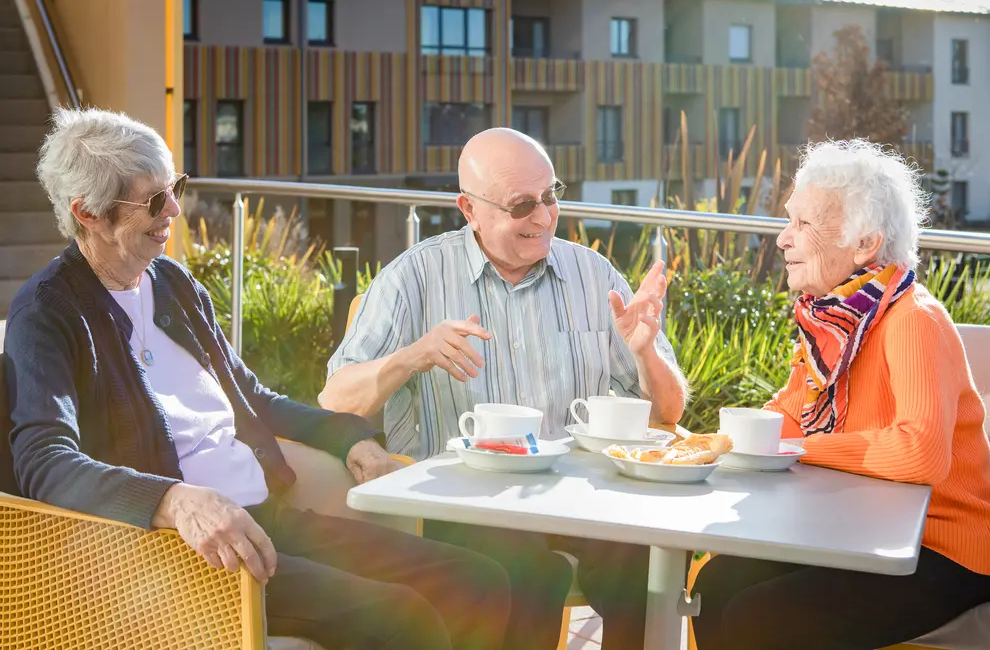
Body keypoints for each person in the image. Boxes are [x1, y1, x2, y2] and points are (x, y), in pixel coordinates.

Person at [3, 108, 511, 650]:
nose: (174, 208)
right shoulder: (49, 312)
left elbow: (252, 398)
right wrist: (175, 501)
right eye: (153, 201)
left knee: (479, 582)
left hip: (266, 519)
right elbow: (44, 461)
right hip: (181, 556)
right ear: (89, 213)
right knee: (403, 618)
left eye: (174, 187)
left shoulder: (171, 283)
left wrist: (349, 436)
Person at [321, 127, 690, 650]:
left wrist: (646, 353)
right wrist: (415, 355)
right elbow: (335, 401)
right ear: (470, 209)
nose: (543, 217)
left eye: (550, 196)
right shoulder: (415, 276)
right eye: (522, 205)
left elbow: (669, 411)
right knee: (526, 573)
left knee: (645, 557)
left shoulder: (594, 275)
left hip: (582, 494)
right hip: (465, 502)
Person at [691, 139, 990, 650]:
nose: (783, 239)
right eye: (789, 220)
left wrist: (792, 449)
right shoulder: (832, 320)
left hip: (942, 546)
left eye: (804, 225)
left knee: (757, 618)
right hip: (856, 525)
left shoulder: (913, 319)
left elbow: (921, 453)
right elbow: (785, 418)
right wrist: (699, 444)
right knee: (716, 584)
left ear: (865, 245)